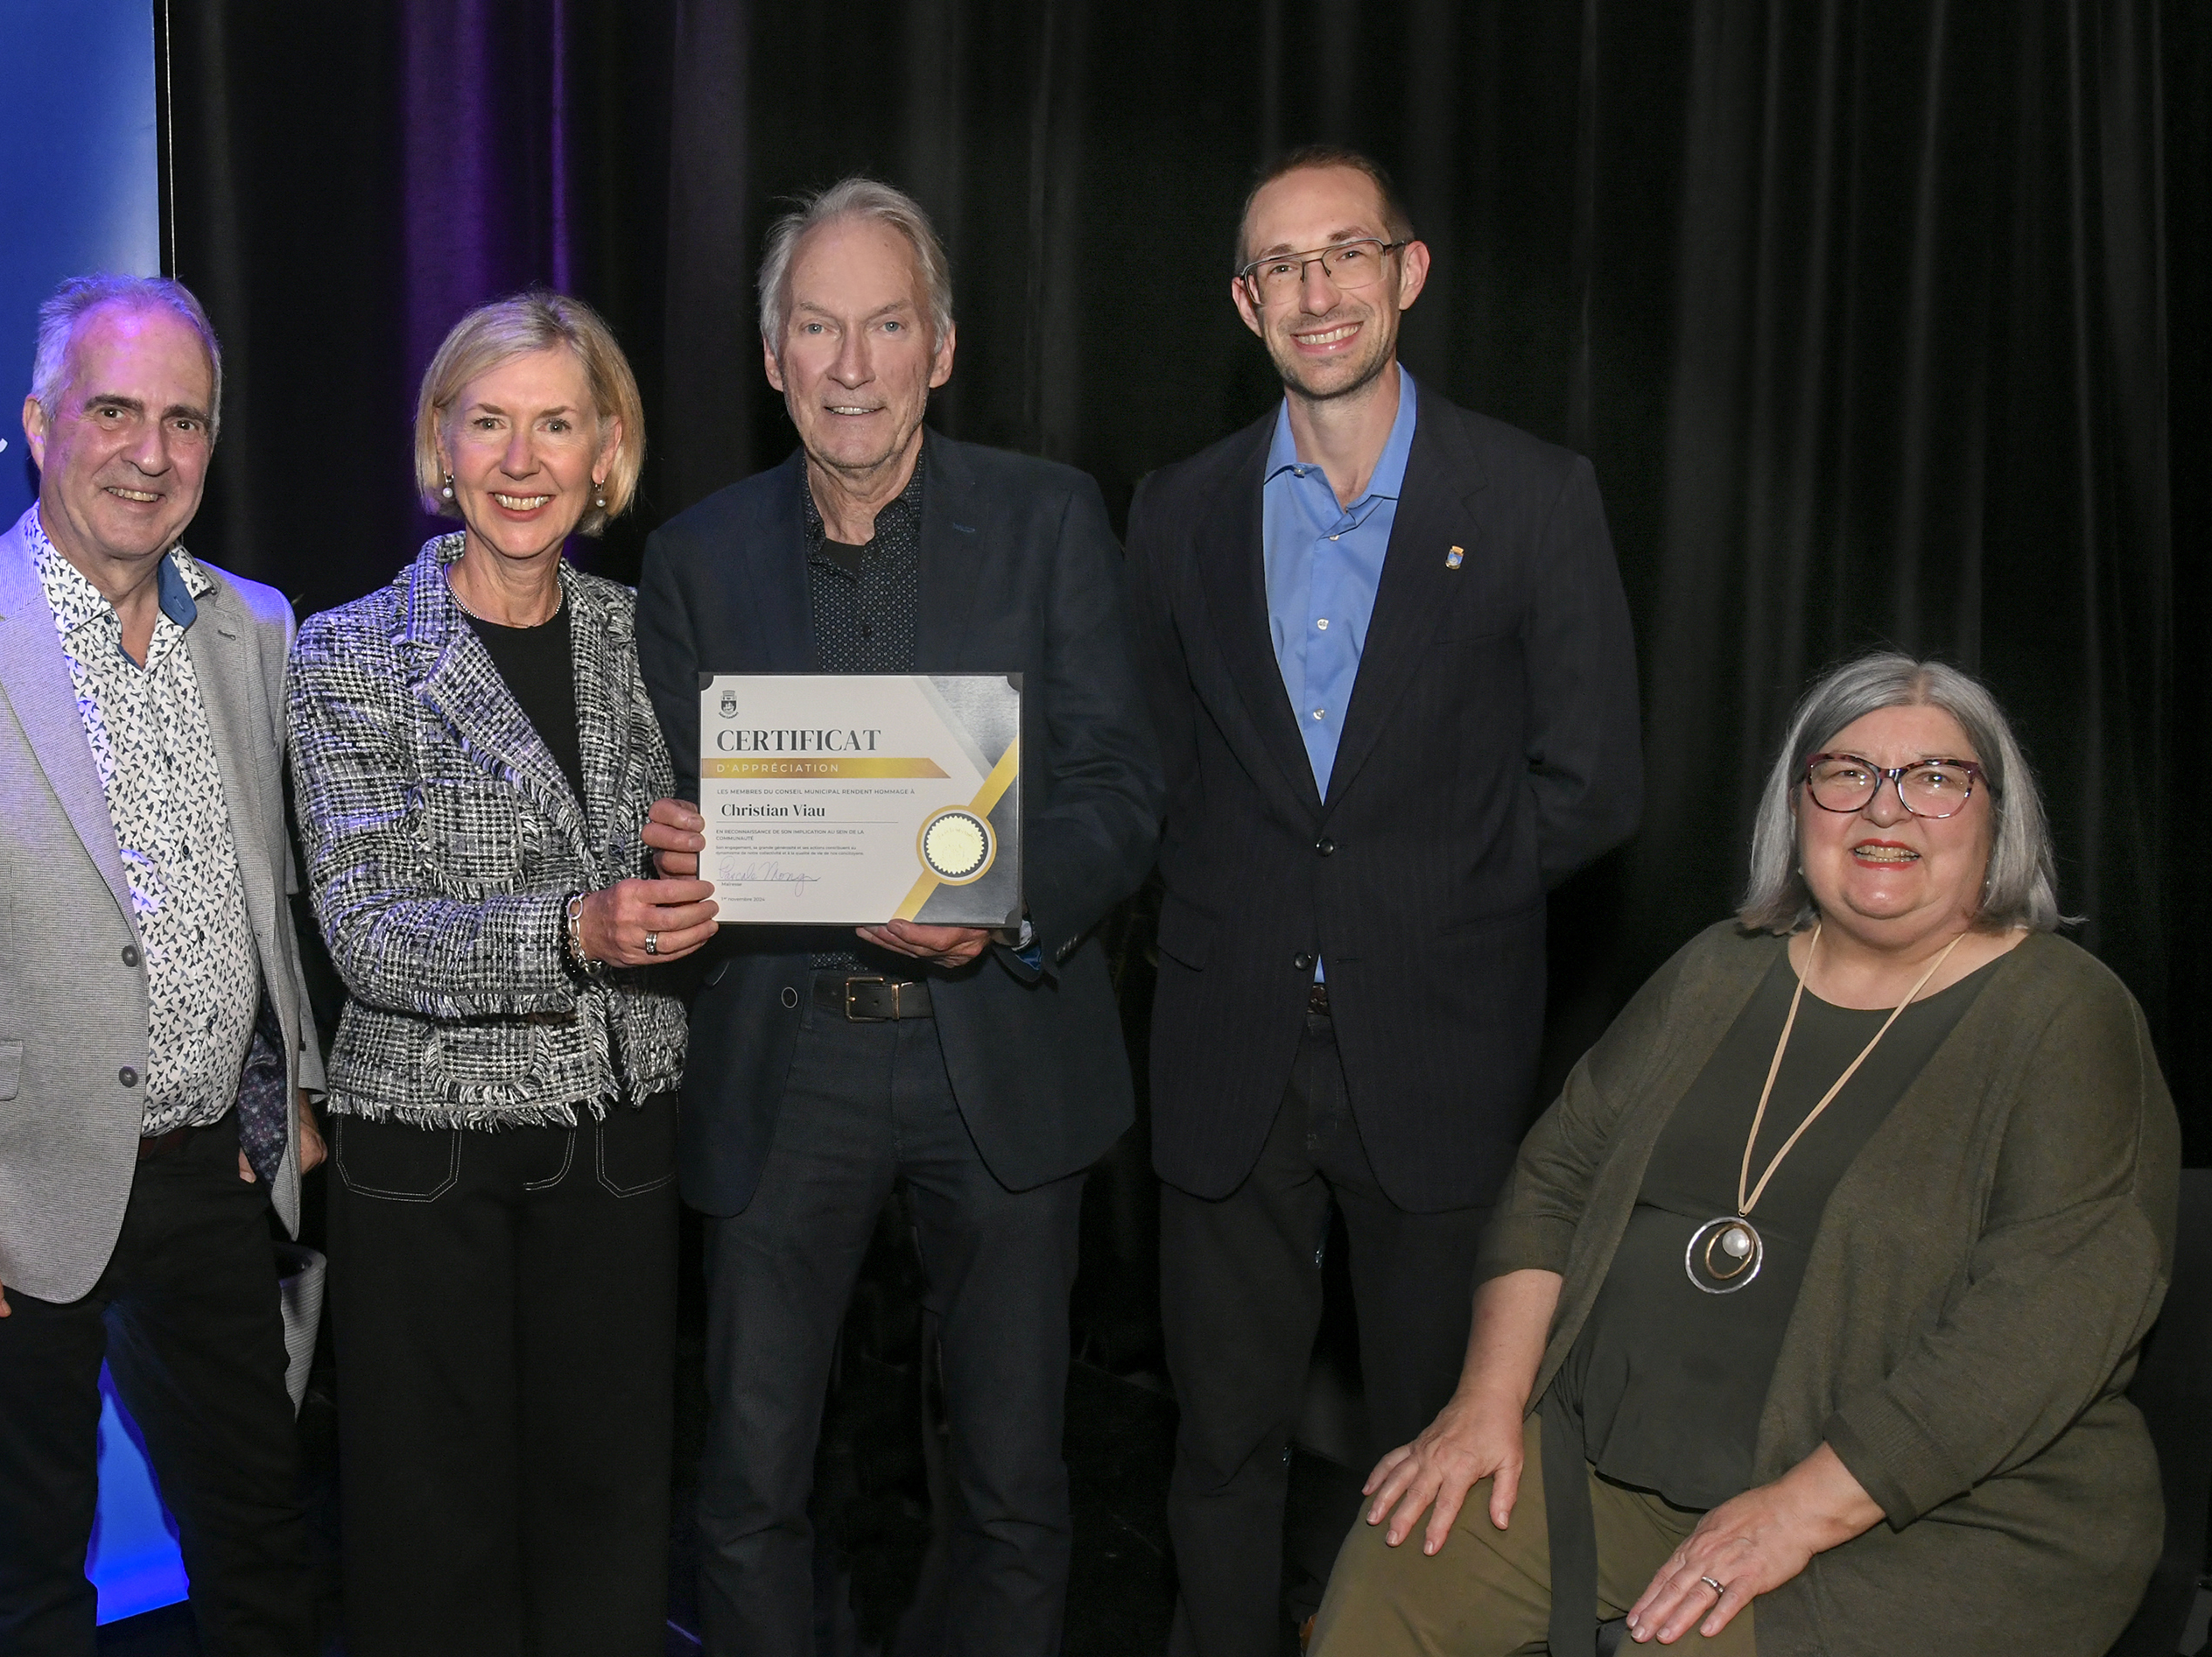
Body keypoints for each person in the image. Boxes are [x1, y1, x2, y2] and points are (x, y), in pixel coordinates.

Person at [1310, 651, 2176, 1656]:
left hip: (1921, 1522)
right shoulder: (1719, 968)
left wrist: (1796, 1513)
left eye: (1936, 779)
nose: (1884, 812)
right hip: (1612, 1467)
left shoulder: (2066, 1016)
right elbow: (1556, 1177)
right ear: (1798, 805)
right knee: (1398, 1559)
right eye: (1845, 773)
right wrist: (1486, 1403)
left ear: (1997, 814)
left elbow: (2044, 1327)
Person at [1123, 144, 1646, 1653]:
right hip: (1228, 1045)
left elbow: (1594, 779)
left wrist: (1424, 902)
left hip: (1443, 1042)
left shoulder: (1536, 497)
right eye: (1281, 266)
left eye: (1344, 253)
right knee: (1221, 1441)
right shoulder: (1177, 511)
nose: (1317, 291)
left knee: (1435, 1444)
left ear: (1407, 272)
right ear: (1244, 303)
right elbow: (1154, 770)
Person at [636, 177, 1162, 1654]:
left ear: (940, 346)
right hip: (781, 1064)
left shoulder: (1052, 519)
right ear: (770, 356)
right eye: (817, 327)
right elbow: (670, 801)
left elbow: (1123, 790)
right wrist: (675, 840)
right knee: (747, 1489)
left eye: (885, 325)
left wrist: (997, 906)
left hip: (993, 1048)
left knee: (1012, 1482)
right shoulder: (696, 556)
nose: (850, 365)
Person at [0, 274, 328, 1654]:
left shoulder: (254, 629)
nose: (150, 454)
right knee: (32, 1580)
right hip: (4, 1202)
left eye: (185, 422)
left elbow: (266, 893)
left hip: (213, 1175)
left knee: (264, 1544)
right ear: (39, 425)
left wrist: (291, 1101)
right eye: (113, 412)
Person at [285, 291, 712, 1656]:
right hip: (423, 1155)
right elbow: (369, 933)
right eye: (490, 424)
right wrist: (577, 930)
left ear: (608, 452)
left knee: (608, 1523)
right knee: (430, 1537)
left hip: (617, 1136)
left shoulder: (652, 637)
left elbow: (704, 855)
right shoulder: (347, 652)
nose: (521, 462)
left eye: (557, 425)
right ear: (441, 446)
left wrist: (727, 850)